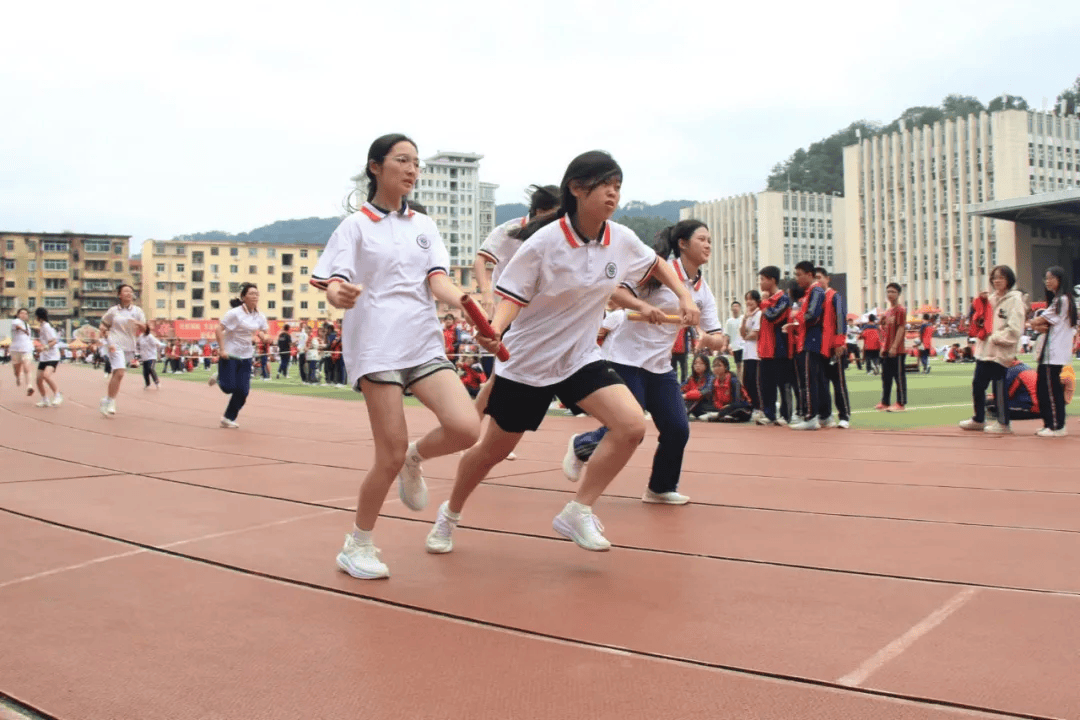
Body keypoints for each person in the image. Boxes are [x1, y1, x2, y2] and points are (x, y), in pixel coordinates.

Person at [425, 150, 700, 556]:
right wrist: (496, 329)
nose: (613, 193)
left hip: (580, 358)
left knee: (631, 426)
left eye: (618, 186)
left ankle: (578, 510)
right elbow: (511, 298)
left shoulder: (620, 239)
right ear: (576, 187)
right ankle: (449, 514)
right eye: (605, 184)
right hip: (528, 363)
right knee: (490, 453)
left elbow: (657, 263)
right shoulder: (542, 243)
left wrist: (683, 295)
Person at [312, 133, 481, 580]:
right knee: (385, 456)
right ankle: (358, 545)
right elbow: (332, 282)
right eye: (402, 160)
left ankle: (416, 457)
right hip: (376, 346)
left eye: (416, 163)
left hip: (422, 342)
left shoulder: (424, 226)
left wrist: (464, 299)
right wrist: (339, 292)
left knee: (466, 428)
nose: (411, 169)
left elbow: (438, 282)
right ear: (375, 167)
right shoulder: (355, 227)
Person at [564, 218, 724, 505]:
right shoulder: (655, 270)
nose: (708, 245)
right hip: (625, 358)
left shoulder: (702, 289)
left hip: (659, 365)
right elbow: (615, 294)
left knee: (677, 429)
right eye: (702, 239)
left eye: (710, 240)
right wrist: (643, 307)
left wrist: (709, 339)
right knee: (630, 428)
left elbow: (716, 334)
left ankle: (660, 488)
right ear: (682, 244)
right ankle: (581, 445)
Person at [958, 265, 1025, 434]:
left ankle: (1003, 423)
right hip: (984, 350)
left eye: (1001, 277)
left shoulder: (1015, 300)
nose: (997, 281)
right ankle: (979, 418)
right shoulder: (991, 299)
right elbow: (978, 317)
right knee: (978, 385)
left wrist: (995, 338)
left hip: (1000, 351)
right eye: (994, 277)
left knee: (999, 386)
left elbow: (1015, 329)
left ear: (1009, 280)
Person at [208, 283, 271, 428]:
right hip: (230, 354)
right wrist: (221, 349)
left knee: (243, 391)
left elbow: (260, 331)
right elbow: (219, 329)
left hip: (247, 356)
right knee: (229, 387)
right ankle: (220, 376)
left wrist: (265, 337)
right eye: (251, 293)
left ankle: (228, 418)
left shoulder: (260, 315)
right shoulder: (234, 313)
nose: (255, 296)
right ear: (243, 297)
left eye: (257, 293)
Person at [1030, 265, 1077, 437]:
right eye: (1046, 278)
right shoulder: (1061, 300)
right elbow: (1043, 323)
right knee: (1044, 388)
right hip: (1051, 353)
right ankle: (1051, 423)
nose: (1047, 281)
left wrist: (1032, 323)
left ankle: (1056, 425)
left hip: (1054, 353)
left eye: (1051, 278)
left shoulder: (1062, 300)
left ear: (1060, 280)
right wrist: (1037, 324)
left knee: (1050, 390)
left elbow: (1040, 320)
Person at [785, 261, 827, 430]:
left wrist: (796, 321)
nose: (797, 278)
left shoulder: (816, 291)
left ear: (809, 275)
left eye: (799, 274)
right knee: (806, 380)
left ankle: (811, 416)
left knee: (809, 380)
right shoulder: (809, 292)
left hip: (812, 340)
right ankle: (811, 415)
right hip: (806, 339)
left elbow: (814, 314)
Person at [99, 284, 147, 417]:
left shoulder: (137, 311)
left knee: (117, 374)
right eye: (125, 291)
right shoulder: (113, 311)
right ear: (119, 295)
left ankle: (107, 400)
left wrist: (138, 324)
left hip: (129, 346)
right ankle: (112, 401)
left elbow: (145, 328)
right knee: (120, 373)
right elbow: (104, 323)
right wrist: (103, 330)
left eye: (131, 292)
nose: (128, 293)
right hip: (115, 344)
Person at [757, 266, 793, 425]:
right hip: (765, 349)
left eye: (763, 279)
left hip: (779, 349)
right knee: (766, 384)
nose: (760, 283)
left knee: (783, 384)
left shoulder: (783, 299)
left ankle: (786, 415)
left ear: (772, 280)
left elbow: (773, 317)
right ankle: (769, 414)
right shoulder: (767, 301)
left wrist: (764, 303)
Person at [814, 268, 850, 429]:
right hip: (820, 348)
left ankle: (844, 416)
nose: (817, 281)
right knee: (822, 383)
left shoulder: (835, 296)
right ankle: (825, 415)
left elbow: (841, 320)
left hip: (834, 346)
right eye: (815, 278)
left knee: (838, 382)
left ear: (827, 279)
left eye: (820, 278)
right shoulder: (816, 298)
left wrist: (839, 342)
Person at [877, 283, 907, 412]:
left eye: (893, 292)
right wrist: (884, 345)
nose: (890, 294)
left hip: (897, 349)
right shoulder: (888, 312)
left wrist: (894, 346)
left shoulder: (900, 310)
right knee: (886, 376)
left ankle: (900, 403)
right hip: (886, 348)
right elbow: (882, 328)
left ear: (898, 294)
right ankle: (885, 401)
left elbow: (901, 328)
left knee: (899, 376)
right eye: (888, 292)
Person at [32, 308, 62, 407]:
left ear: (38, 316)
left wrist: (44, 347)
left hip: (53, 356)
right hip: (44, 357)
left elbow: (53, 341)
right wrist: (39, 348)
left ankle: (58, 395)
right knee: (38, 379)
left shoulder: (46, 326)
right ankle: (45, 399)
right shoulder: (43, 326)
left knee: (46, 376)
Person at [740, 290, 762, 422]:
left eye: (751, 299)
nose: (749, 302)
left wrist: (747, 336)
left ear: (757, 301)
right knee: (747, 381)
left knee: (754, 382)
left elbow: (755, 335)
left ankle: (759, 407)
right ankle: (753, 406)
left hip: (756, 354)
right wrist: (744, 319)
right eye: (747, 299)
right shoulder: (748, 316)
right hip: (747, 353)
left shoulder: (759, 314)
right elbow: (743, 334)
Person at [708, 355, 751, 422]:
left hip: (739, 406)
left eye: (719, 365)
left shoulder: (733, 380)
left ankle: (724, 416)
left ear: (726, 367)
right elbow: (714, 399)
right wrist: (720, 407)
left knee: (735, 409)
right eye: (714, 366)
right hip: (723, 407)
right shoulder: (713, 381)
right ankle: (725, 416)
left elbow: (738, 400)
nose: (716, 368)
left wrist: (728, 406)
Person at [9, 307, 35, 396]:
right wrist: (24, 330)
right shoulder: (15, 321)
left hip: (27, 349)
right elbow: (18, 327)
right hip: (15, 349)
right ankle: (18, 377)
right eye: (21, 313)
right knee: (17, 370)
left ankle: (29, 387)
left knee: (27, 367)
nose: (23, 315)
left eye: (25, 314)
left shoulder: (28, 325)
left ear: (27, 316)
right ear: (18, 314)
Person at [682, 353, 714, 418]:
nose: (697, 365)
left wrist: (685, 396)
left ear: (706, 365)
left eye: (701, 363)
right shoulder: (691, 378)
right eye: (695, 363)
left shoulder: (711, 378)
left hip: (706, 404)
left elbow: (705, 392)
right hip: (691, 402)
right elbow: (681, 389)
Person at [725, 301, 744, 379]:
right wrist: (727, 345)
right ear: (731, 309)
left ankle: (744, 382)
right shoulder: (729, 321)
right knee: (738, 365)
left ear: (740, 308)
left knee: (744, 365)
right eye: (733, 307)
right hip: (735, 346)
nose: (735, 308)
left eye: (737, 306)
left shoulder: (743, 318)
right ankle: (739, 382)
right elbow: (727, 335)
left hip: (744, 346)